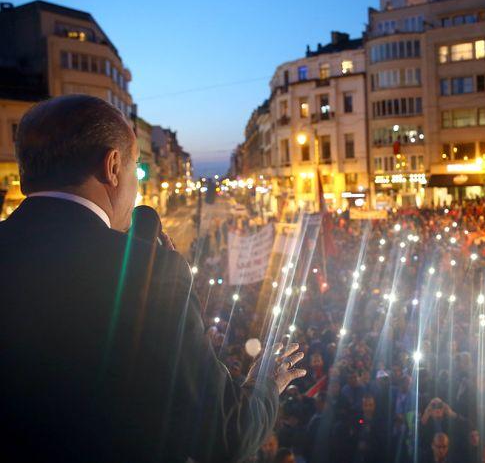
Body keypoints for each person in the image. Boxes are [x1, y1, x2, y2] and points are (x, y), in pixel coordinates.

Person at [0, 95, 306, 462]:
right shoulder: (149, 275)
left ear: (23, 174)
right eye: (135, 170)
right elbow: (227, 433)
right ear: (113, 167)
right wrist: (265, 383)